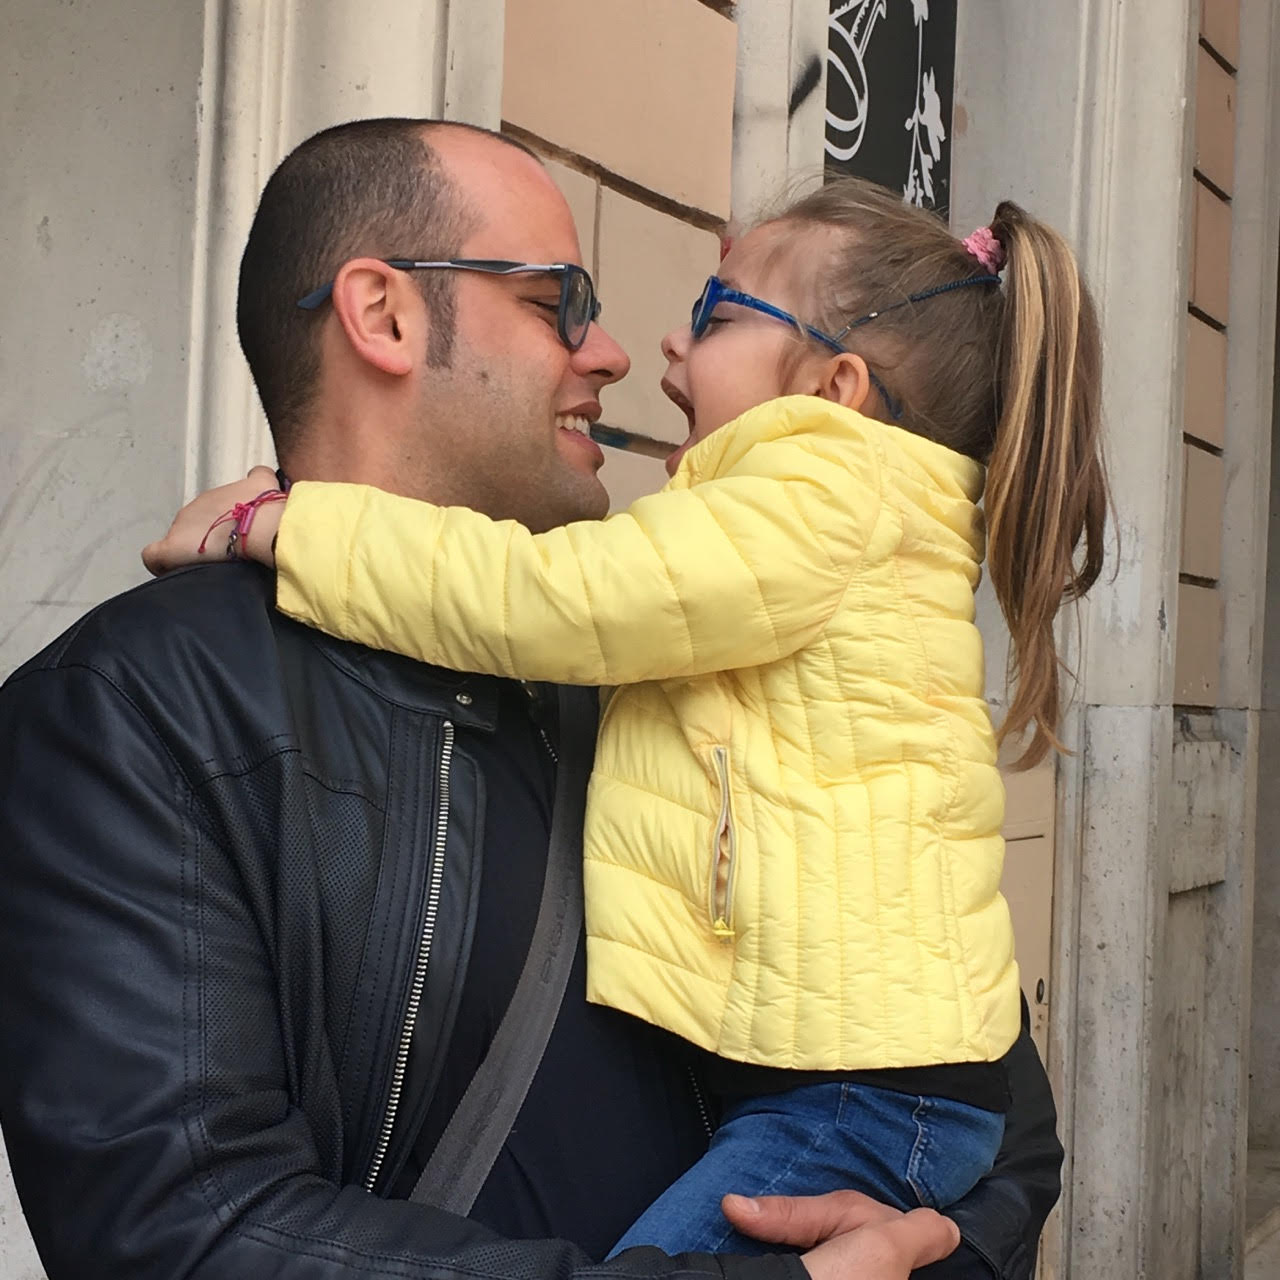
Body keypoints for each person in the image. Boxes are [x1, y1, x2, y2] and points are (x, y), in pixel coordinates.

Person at [0, 118, 1060, 1280]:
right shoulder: (135, 709)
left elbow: (986, 1103)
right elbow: (189, 1232)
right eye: (559, 301)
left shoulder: (675, 658)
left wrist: (933, 1254)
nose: (611, 352)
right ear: (384, 315)